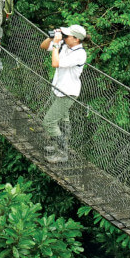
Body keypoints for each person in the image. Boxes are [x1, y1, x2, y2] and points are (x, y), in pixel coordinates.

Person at [39, 24, 87, 163]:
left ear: (76, 39)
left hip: (67, 92)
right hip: (58, 88)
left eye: (67, 36)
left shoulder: (79, 54)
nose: (65, 37)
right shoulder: (65, 45)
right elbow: (43, 47)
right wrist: (51, 38)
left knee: (49, 122)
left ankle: (62, 151)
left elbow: (55, 63)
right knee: (63, 120)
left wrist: (55, 44)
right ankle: (58, 146)